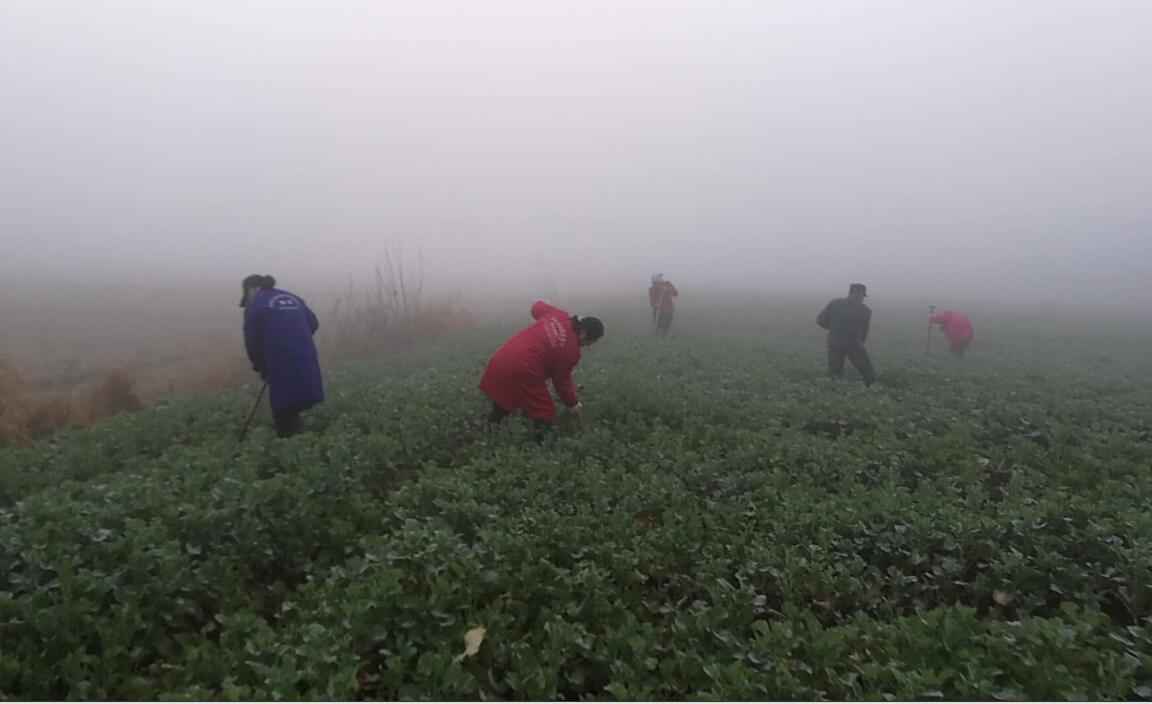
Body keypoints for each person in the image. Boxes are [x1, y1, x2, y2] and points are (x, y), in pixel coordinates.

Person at [479, 300, 604, 435]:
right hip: (524, 368)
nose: (588, 345)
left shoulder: (559, 315)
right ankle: (541, 445)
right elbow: (562, 383)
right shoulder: (571, 351)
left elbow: (536, 307)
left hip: (501, 358)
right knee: (544, 410)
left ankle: (491, 431)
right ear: (583, 333)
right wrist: (573, 404)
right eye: (590, 342)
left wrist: (552, 320)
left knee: (505, 397)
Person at [240, 274, 324, 438]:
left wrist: (260, 366)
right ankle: (298, 435)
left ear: (251, 289)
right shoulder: (292, 298)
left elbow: (252, 340)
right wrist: (297, 339)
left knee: (282, 404)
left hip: (278, 357)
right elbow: (313, 322)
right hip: (304, 353)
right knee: (295, 396)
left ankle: (287, 442)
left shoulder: (254, 305)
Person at [816, 283, 877, 386]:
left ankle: (835, 391)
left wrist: (834, 328)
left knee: (834, 373)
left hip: (834, 342)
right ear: (858, 294)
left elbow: (820, 320)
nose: (863, 299)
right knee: (867, 371)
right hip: (854, 344)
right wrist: (858, 340)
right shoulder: (866, 310)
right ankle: (871, 388)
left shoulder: (835, 303)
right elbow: (864, 332)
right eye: (863, 296)